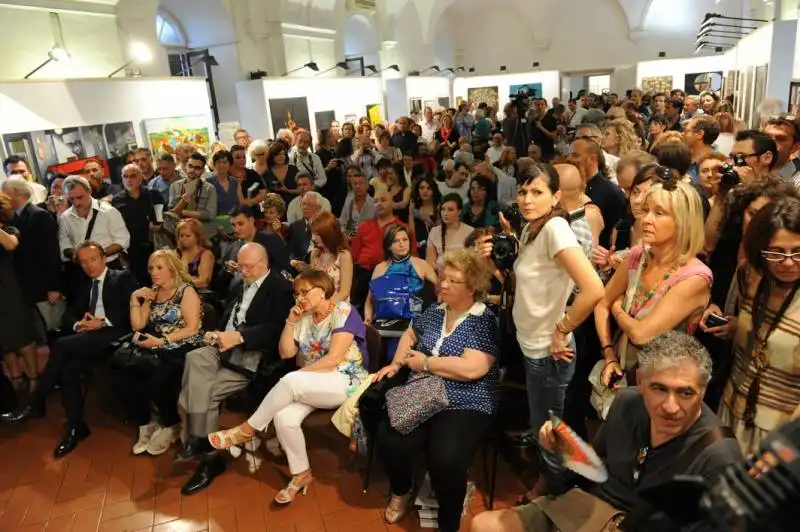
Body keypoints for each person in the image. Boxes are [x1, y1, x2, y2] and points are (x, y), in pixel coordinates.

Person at [471, 332, 742, 532]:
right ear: (641, 381)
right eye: (659, 388)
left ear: (703, 391)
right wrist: (561, 446)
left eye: (686, 393)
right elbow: (594, 466)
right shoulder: (627, 402)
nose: (671, 407)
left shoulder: (719, 452)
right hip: (593, 506)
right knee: (484, 525)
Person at [477, 163, 605, 498]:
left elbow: (593, 289)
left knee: (550, 431)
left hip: (549, 352)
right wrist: (493, 264)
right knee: (544, 426)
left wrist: (561, 330)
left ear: (556, 195)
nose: (528, 199)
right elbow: (524, 287)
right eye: (523, 192)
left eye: (537, 192)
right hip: (531, 345)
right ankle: (550, 483)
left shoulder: (555, 229)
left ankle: (552, 495)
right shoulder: (533, 229)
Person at [207, 270, 368, 505]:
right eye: (296, 293)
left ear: (322, 290)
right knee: (284, 417)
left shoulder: (343, 311)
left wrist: (296, 378)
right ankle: (301, 474)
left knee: (290, 381)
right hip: (311, 382)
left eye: (305, 292)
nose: (300, 298)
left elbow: (334, 359)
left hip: (345, 379)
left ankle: (246, 430)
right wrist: (291, 321)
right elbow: (286, 352)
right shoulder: (302, 318)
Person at [374, 249, 498, 531]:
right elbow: (410, 333)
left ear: (472, 287)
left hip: (466, 399)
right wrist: (396, 364)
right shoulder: (435, 310)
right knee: (390, 437)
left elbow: (472, 369)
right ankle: (402, 489)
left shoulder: (483, 319)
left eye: (452, 281)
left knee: (446, 458)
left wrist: (427, 362)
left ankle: (448, 520)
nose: (442, 284)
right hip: (425, 390)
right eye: (443, 277)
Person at [0, 241, 136, 457]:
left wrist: (102, 322)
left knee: (62, 345)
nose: (89, 266)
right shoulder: (84, 286)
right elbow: (68, 315)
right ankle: (76, 426)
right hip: (90, 339)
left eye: (92, 260)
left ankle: (36, 400)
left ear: (103, 258)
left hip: (116, 335)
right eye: (83, 263)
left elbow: (132, 312)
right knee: (68, 369)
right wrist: (78, 324)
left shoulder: (122, 278)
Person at [177, 243, 293, 494]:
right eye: (240, 265)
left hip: (249, 356)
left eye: (247, 266)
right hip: (222, 345)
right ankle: (200, 440)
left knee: (203, 394)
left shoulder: (280, 288)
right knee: (195, 357)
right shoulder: (241, 281)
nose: (242, 271)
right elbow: (227, 308)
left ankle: (209, 459)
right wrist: (218, 334)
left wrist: (239, 337)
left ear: (263, 263)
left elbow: (275, 330)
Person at [596, 172, 711, 391]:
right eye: (646, 210)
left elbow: (642, 335)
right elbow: (601, 304)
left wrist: (618, 309)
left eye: (659, 213)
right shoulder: (638, 254)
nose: (646, 219)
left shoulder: (695, 276)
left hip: (666, 386)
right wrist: (609, 354)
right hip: (623, 373)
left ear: (683, 221)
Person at [716, 196, 800, 455]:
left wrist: (787, 446)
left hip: (782, 431)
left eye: (798, 251)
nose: (788, 261)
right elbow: (760, 331)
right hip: (730, 410)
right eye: (776, 252)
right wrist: (735, 327)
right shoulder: (750, 276)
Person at [115, 249, 204, 456]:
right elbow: (138, 324)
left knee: (156, 380)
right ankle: (146, 422)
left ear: (172, 269)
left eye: (159, 268)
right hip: (157, 345)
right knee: (123, 376)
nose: (153, 272)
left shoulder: (185, 291)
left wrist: (162, 341)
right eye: (151, 268)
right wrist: (133, 299)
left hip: (184, 344)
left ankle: (172, 424)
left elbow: (192, 328)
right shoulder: (153, 292)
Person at [0, 192, 42, 395]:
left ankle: (34, 379)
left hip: (9, 291)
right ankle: (16, 380)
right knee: (4, 343)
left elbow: (10, 244)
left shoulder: (10, 230)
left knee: (23, 339)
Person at [364, 224, 438, 324]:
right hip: (384, 323)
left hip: (415, 324)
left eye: (405, 240)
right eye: (395, 241)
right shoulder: (380, 268)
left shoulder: (421, 264)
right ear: (388, 246)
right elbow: (369, 302)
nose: (401, 244)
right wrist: (367, 320)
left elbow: (441, 291)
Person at [111, 164, 162, 286]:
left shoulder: (152, 194)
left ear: (140, 177)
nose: (129, 180)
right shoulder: (117, 200)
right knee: (143, 285)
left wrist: (158, 225)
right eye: (125, 176)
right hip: (133, 250)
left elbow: (162, 217)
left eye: (133, 176)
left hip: (155, 245)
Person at [303, 211, 353, 303]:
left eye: (317, 234)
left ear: (329, 233)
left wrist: (326, 308)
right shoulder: (315, 254)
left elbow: (344, 292)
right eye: (312, 233)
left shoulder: (344, 256)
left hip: (337, 307)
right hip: (317, 305)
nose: (313, 238)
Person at [168, 153, 218, 238]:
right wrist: (182, 202)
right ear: (185, 167)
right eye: (190, 166)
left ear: (202, 171)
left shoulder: (209, 188)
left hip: (204, 235)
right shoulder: (175, 186)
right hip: (182, 236)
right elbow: (171, 214)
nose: (192, 170)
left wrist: (183, 212)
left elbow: (210, 215)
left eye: (197, 168)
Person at [427, 193, 473, 275]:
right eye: (443, 209)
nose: (445, 213)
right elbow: (430, 262)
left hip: (463, 276)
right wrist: (441, 268)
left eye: (450, 209)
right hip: (441, 276)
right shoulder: (434, 232)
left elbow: (474, 261)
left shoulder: (470, 231)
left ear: (459, 211)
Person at [176, 219, 215, 289]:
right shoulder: (176, 253)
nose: (184, 238)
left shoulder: (205, 254)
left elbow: (203, 282)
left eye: (187, 236)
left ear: (197, 237)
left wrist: (182, 280)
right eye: (181, 235)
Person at [339, 169, 376, 237]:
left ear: (367, 185)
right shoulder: (348, 202)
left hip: (368, 240)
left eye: (361, 183)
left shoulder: (374, 205)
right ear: (352, 186)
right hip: (351, 239)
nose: (358, 186)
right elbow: (342, 223)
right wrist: (345, 235)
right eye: (355, 184)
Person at [207, 150, 240, 216]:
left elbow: (240, 204)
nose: (221, 165)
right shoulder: (208, 182)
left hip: (235, 221)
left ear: (230, 164)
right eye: (218, 162)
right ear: (214, 164)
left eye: (224, 162)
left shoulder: (235, 182)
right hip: (215, 223)